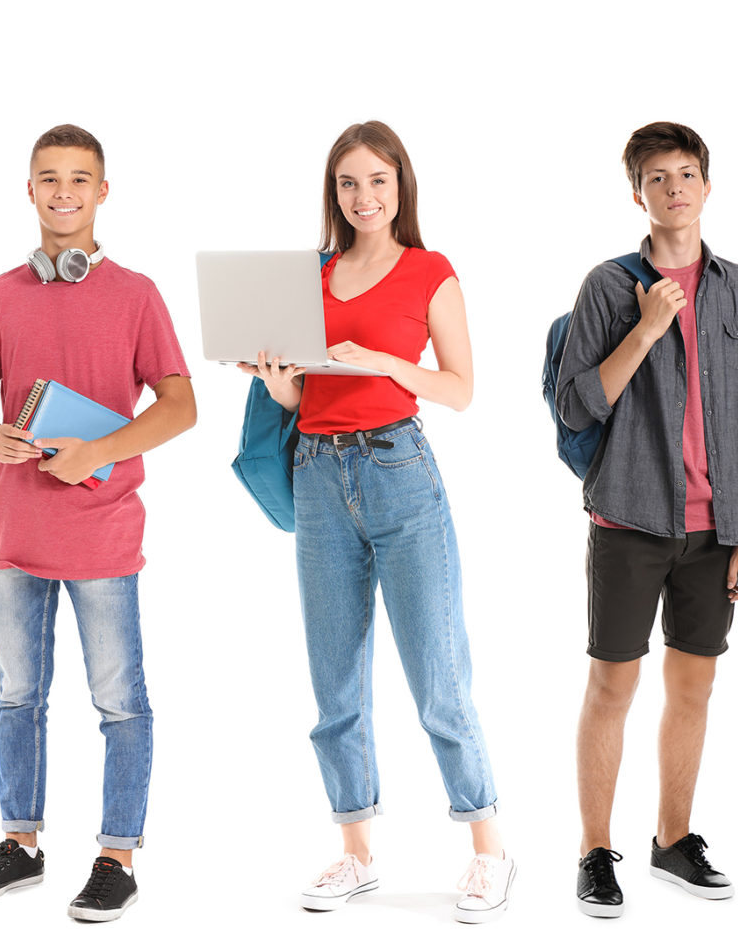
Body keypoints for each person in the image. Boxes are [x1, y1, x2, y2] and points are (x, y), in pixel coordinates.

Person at [242, 121, 510, 923]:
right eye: (349, 184)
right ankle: (356, 851)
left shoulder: (431, 270)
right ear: (335, 193)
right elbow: (303, 401)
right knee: (335, 681)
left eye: (378, 181)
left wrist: (386, 361)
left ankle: (488, 849)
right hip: (319, 475)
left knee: (438, 674)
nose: (364, 197)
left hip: (400, 473)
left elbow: (460, 388)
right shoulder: (312, 275)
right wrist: (278, 383)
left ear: (402, 187)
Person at [0, 124, 194, 923]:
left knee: (119, 700)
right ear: (28, 190)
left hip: (102, 531)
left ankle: (117, 856)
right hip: (13, 528)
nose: (63, 192)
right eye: (48, 178)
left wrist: (100, 450)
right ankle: (19, 847)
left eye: (79, 179)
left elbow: (180, 406)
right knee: (18, 695)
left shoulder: (137, 294)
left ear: (102, 192)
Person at [556, 122, 738, 916]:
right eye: (656, 177)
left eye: (686, 174)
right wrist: (646, 327)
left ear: (706, 188)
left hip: (715, 531)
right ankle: (594, 851)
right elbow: (580, 400)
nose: (674, 188)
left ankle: (672, 841)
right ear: (637, 194)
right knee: (612, 684)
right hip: (629, 519)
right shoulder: (610, 288)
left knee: (695, 684)